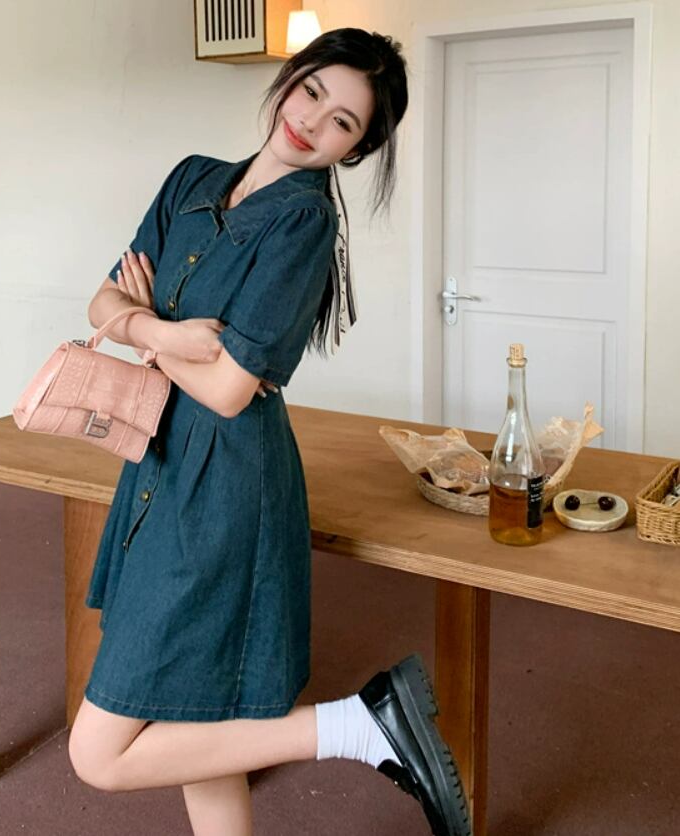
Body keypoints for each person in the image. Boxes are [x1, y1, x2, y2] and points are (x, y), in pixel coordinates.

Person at [67, 27, 472, 836]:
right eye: (313, 90)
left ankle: (359, 725)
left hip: (224, 491)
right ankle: (360, 725)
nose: (312, 120)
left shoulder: (302, 224)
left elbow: (226, 392)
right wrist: (164, 333)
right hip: (159, 465)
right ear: (292, 75)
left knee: (98, 756)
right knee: (196, 717)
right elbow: (102, 302)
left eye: (343, 122)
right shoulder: (192, 178)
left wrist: (140, 329)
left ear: (355, 150)